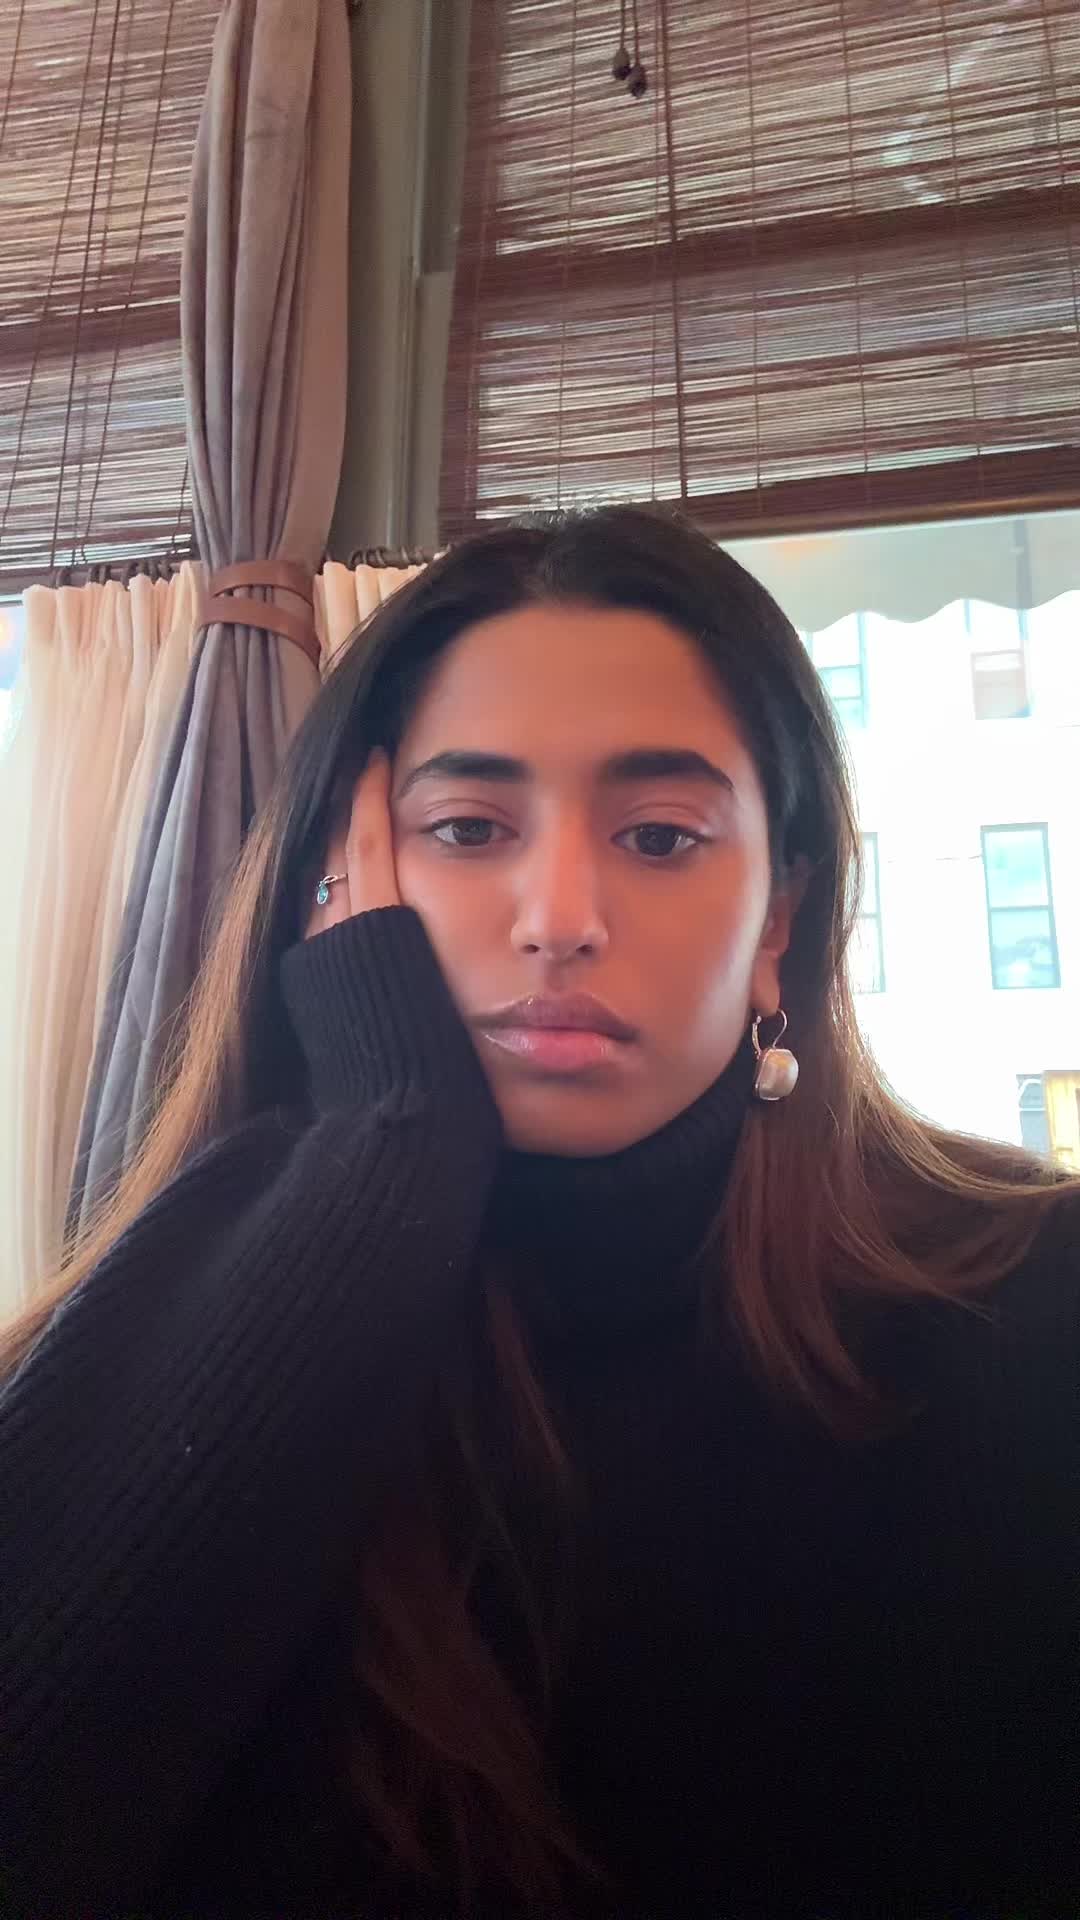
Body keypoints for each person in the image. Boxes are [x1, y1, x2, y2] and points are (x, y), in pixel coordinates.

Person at [1, 506, 1077, 1920]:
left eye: (659, 835)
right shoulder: (159, 1329)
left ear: (777, 922)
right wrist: (379, 1154)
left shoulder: (1036, 1301)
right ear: (340, 888)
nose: (559, 915)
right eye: (467, 829)